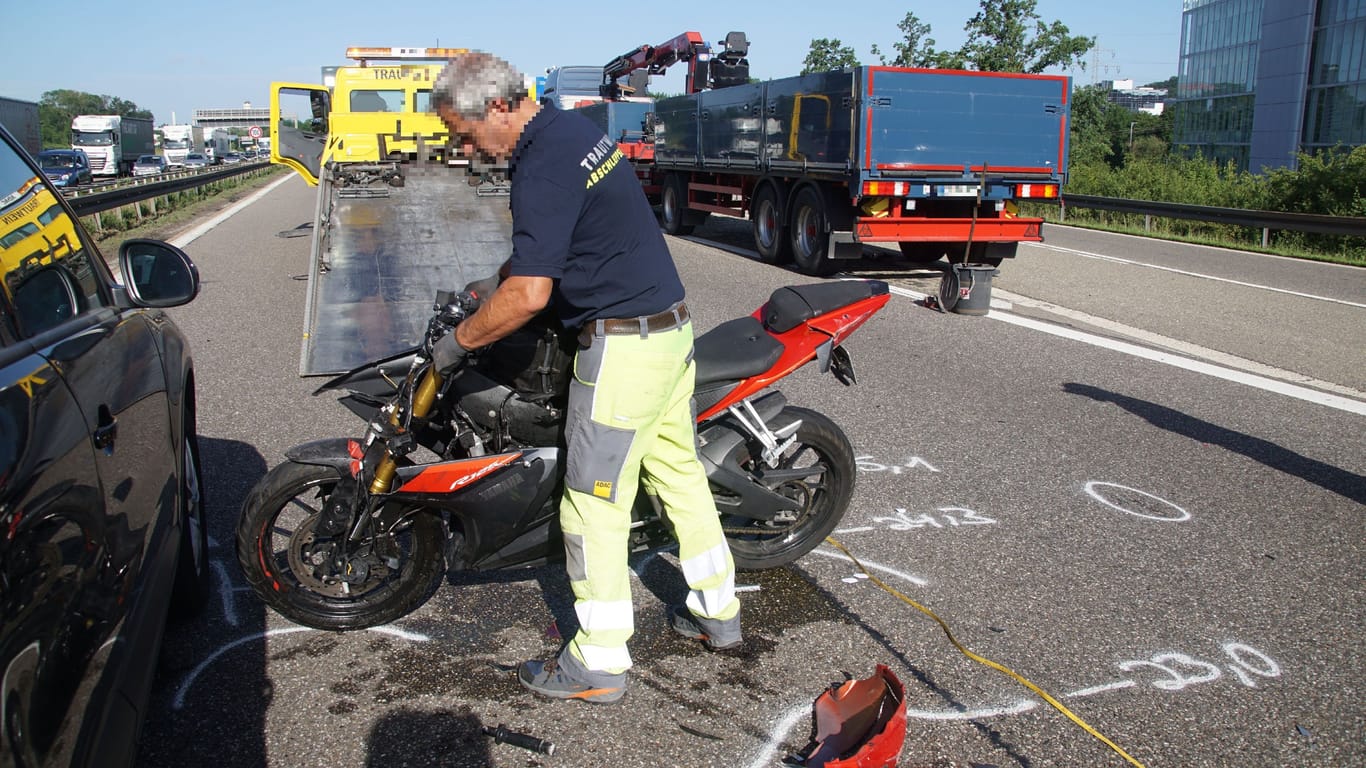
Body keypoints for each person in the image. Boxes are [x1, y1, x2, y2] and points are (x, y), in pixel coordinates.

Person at [429, 52, 740, 704]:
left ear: (498, 107)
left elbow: (533, 293)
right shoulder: (573, 132)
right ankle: (718, 612)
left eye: (465, 133)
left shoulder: (539, 164)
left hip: (624, 349)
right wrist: (491, 285)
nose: (466, 149)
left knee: (592, 504)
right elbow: (553, 241)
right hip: (670, 328)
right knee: (679, 475)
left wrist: (458, 344)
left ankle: (598, 660)